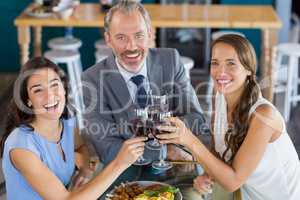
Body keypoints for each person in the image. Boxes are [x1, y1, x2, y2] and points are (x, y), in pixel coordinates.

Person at [157, 34, 300, 200]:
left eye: (231, 64)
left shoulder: (263, 116)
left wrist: (189, 140)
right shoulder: (220, 97)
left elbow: (232, 182)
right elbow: (218, 149)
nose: (221, 72)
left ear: (249, 70)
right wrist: (208, 176)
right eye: (215, 63)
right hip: (245, 194)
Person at [0, 57, 146, 200]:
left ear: (64, 88)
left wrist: (85, 169)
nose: (50, 95)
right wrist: (119, 163)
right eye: (38, 90)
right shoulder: (21, 147)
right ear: (28, 101)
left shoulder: (67, 120)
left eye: (54, 85)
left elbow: (80, 146)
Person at [81, 0, 206, 165]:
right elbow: (107, 150)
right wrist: (164, 151)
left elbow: (196, 119)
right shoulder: (92, 79)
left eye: (138, 36)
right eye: (121, 37)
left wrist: (171, 128)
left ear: (150, 34)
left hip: (177, 165)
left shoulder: (171, 60)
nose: (131, 46)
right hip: (125, 173)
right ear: (108, 39)